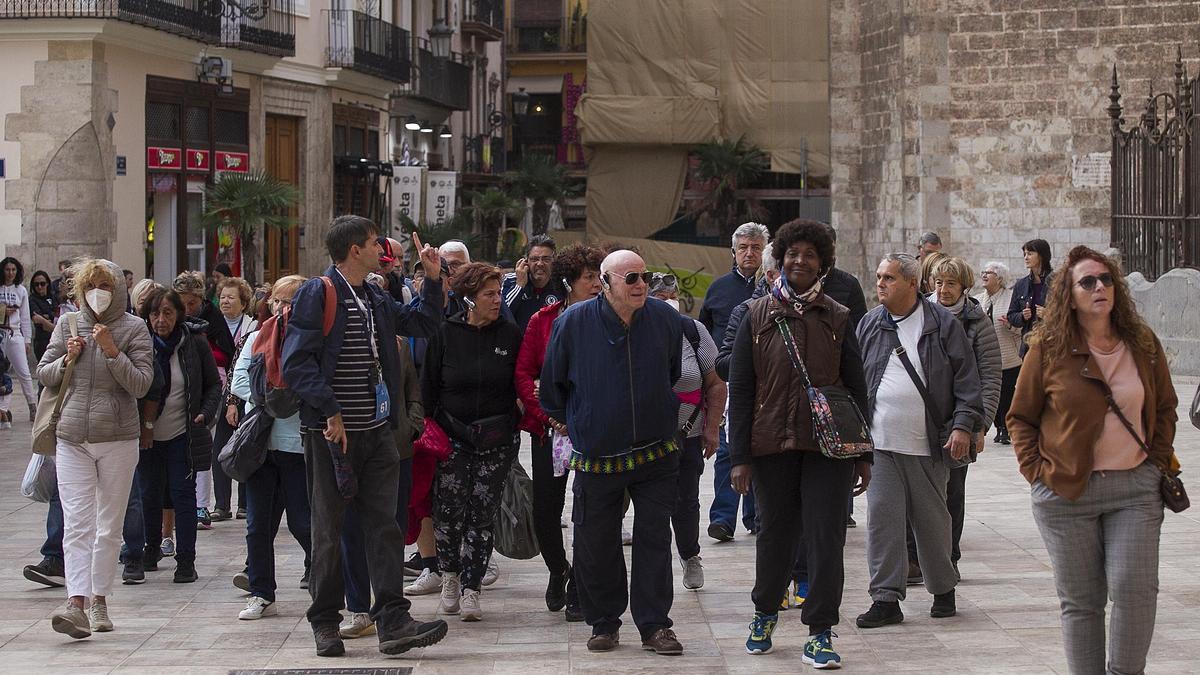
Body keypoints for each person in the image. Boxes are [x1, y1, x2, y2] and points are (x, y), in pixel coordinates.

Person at [281, 215, 448, 657]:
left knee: (385, 527)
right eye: (376, 243)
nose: (383, 250)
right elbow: (297, 362)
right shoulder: (319, 293)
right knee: (329, 530)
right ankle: (325, 622)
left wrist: (433, 281)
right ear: (355, 249)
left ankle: (393, 619)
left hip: (377, 432)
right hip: (333, 437)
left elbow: (422, 325)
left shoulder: (374, 295)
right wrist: (329, 410)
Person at [1008, 245, 1178, 675]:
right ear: (1070, 293)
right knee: (1081, 601)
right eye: (1088, 281)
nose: (1100, 287)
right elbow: (1021, 417)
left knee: (1136, 589)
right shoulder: (1047, 348)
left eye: (1106, 280)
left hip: (1134, 490)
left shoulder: (1142, 343)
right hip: (1066, 491)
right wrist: (1037, 473)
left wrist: (1155, 462)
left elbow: (1165, 408)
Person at [727, 220, 870, 665]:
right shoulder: (756, 315)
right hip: (772, 444)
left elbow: (855, 387)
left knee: (826, 538)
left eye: (809, 255)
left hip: (827, 448)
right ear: (781, 258)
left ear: (823, 263)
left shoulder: (839, 317)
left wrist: (864, 453)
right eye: (792, 254)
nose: (799, 261)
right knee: (775, 534)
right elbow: (743, 390)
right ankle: (764, 611)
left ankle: (822, 629)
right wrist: (740, 458)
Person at [540, 249, 686, 656]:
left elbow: (671, 371)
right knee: (595, 540)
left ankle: (655, 625)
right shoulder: (572, 323)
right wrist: (581, 420)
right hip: (598, 455)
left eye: (645, 276)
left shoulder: (665, 319)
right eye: (632, 278)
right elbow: (552, 388)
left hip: (656, 453)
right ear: (605, 284)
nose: (641, 285)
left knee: (654, 538)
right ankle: (604, 622)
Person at [854, 253, 983, 630]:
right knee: (882, 521)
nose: (880, 283)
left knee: (932, 523)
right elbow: (855, 379)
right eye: (878, 276)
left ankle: (943, 589)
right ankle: (885, 598)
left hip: (928, 444)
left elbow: (967, 381)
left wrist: (962, 426)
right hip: (881, 444)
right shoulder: (870, 324)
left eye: (889, 278)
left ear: (912, 284)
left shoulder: (941, 324)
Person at [37, 258, 153, 639]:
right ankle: (76, 602)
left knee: (109, 526)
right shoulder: (68, 324)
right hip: (72, 437)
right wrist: (68, 357)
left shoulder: (135, 328)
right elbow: (44, 373)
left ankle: (100, 598)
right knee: (77, 523)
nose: (97, 293)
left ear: (118, 288)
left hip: (118, 438)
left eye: (104, 285)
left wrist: (111, 351)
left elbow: (141, 385)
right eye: (90, 286)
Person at [423, 263, 522, 622]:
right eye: (489, 294)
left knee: (482, 516)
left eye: (498, 293)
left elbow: (520, 384)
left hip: (496, 442)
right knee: (448, 513)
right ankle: (449, 575)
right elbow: (428, 388)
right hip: (452, 440)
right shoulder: (445, 334)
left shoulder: (510, 334)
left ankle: (471, 587)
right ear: (469, 299)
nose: (497, 300)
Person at [513, 243, 605, 619]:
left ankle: (580, 584)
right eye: (589, 278)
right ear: (569, 282)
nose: (598, 284)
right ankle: (558, 569)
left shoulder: (610, 319)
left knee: (589, 507)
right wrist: (549, 414)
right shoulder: (543, 320)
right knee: (546, 510)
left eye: (601, 277)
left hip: (595, 432)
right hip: (550, 432)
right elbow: (523, 374)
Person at [230, 275, 313, 621]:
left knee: (303, 522)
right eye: (278, 301)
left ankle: (324, 575)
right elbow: (238, 382)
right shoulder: (256, 338)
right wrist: (274, 398)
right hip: (261, 445)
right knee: (258, 525)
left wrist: (287, 396)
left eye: (291, 301)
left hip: (298, 446)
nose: (283, 308)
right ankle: (261, 592)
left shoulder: (311, 343)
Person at [135, 287, 220, 585]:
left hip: (182, 433)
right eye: (155, 313)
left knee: (184, 497)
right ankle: (150, 548)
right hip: (146, 435)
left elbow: (212, 386)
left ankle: (186, 561)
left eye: (168, 313)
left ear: (179, 314)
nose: (161, 320)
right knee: (148, 494)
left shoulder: (194, 343)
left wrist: (205, 414)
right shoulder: (141, 343)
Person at [648, 273, 724, 592]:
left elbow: (716, 383)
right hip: (646, 439)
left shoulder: (693, 331)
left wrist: (712, 429)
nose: (668, 302)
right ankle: (654, 565)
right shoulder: (637, 332)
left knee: (686, 500)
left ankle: (690, 554)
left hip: (687, 435)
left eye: (672, 296)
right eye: (660, 297)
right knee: (652, 504)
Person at [929, 256, 1001, 578]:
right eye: (939, 282)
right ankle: (919, 556)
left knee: (953, 492)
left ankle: (950, 557)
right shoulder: (919, 314)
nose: (943, 290)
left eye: (951, 284)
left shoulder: (976, 322)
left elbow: (989, 376)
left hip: (960, 419)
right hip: (921, 420)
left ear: (964, 287)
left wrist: (979, 425)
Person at [700, 221, 769, 542]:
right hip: (725, 381)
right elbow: (703, 332)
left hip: (766, 383)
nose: (750, 253)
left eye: (756, 247)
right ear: (733, 252)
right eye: (743, 247)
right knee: (728, 450)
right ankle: (723, 518)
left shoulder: (775, 289)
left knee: (760, 448)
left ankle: (756, 516)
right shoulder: (718, 289)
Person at [172, 271, 222, 529]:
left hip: (204, 392)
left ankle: (201, 504)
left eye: (193, 303)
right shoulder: (169, 320)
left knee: (203, 449)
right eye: (183, 303)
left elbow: (225, 352)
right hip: (177, 397)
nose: (188, 308)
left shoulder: (211, 320)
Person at [210, 276, 257, 521]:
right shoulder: (213, 326)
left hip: (243, 392)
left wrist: (235, 400)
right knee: (220, 447)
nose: (226, 302)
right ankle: (221, 503)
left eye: (231, 297)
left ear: (243, 302)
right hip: (219, 392)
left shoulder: (253, 327)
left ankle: (245, 503)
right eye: (223, 297)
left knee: (245, 447)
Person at [974, 261, 1022, 444]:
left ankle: (1005, 428)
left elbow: (1020, 328)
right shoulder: (978, 300)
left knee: (1007, 393)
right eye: (983, 272)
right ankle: (998, 426)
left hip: (1009, 356)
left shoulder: (1011, 298)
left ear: (1000, 278)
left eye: (989, 273)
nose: (984, 275)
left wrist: (1010, 325)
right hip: (986, 358)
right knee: (992, 394)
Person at [0, 256, 39, 422]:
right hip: (0, 332)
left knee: (24, 372)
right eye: (7, 270)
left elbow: (24, 317)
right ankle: (3, 410)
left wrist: (27, 339)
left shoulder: (21, 290)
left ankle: (32, 405)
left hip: (15, 333)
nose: (10, 273)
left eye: (13, 270)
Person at [502, 235, 565, 332]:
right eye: (534, 259)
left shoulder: (562, 283)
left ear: (554, 261)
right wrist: (519, 286)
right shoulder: (511, 280)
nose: (540, 264)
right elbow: (503, 314)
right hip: (517, 343)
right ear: (526, 261)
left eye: (546, 259)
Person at [1007, 238, 1052, 358]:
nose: (1026, 257)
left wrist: (1049, 315)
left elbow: (1069, 313)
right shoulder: (1021, 284)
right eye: (1025, 254)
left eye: (1030, 253)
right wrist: (1022, 316)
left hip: (1053, 345)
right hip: (1028, 347)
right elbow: (1011, 315)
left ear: (1042, 255)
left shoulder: (1058, 281)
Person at [29, 270, 59, 363]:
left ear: (47, 284)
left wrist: (44, 318)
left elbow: (57, 315)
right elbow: (36, 319)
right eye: (36, 284)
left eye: (42, 284)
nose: (39, 287)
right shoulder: (32, 299)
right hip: (42, 340)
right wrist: (46, 319)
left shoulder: (54, 296)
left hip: (56, 340)